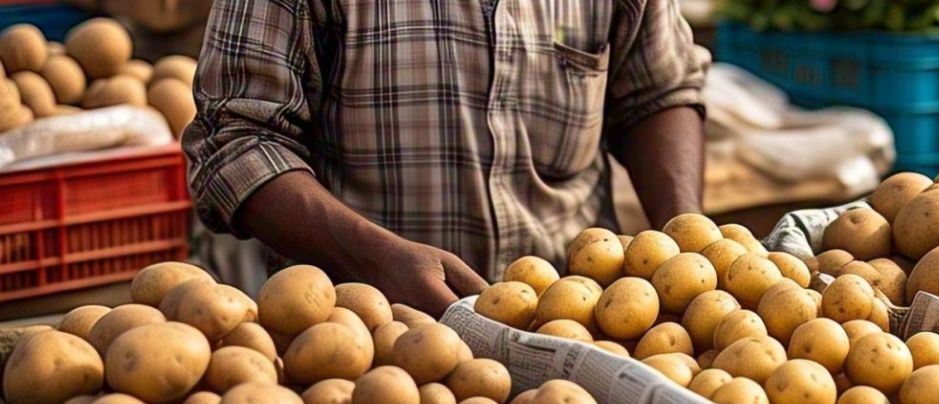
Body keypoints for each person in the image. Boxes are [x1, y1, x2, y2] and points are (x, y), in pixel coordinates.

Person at [184, 0, 709, 315]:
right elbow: (236, 141)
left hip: (580, 326)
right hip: (369, 342)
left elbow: (657, 93)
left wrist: (692, 249)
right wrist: (374, 259)